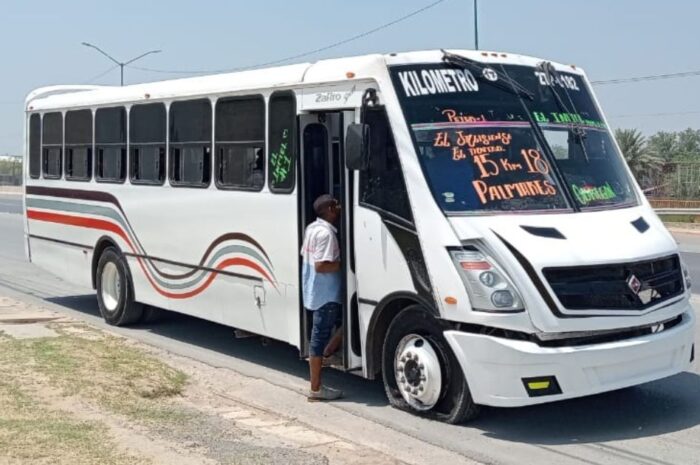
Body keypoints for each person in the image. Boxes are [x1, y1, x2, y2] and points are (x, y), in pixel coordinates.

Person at [301, 194, 344, 401]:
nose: (339, 207)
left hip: (314, 291)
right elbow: (321, 265)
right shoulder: (326, 234)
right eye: (336, 205)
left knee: (342, 325)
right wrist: (347, 263)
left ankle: (329, 351)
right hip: (326, 295)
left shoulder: (311, 229)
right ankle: (316, 390)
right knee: (317, 340)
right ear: (328, 209)